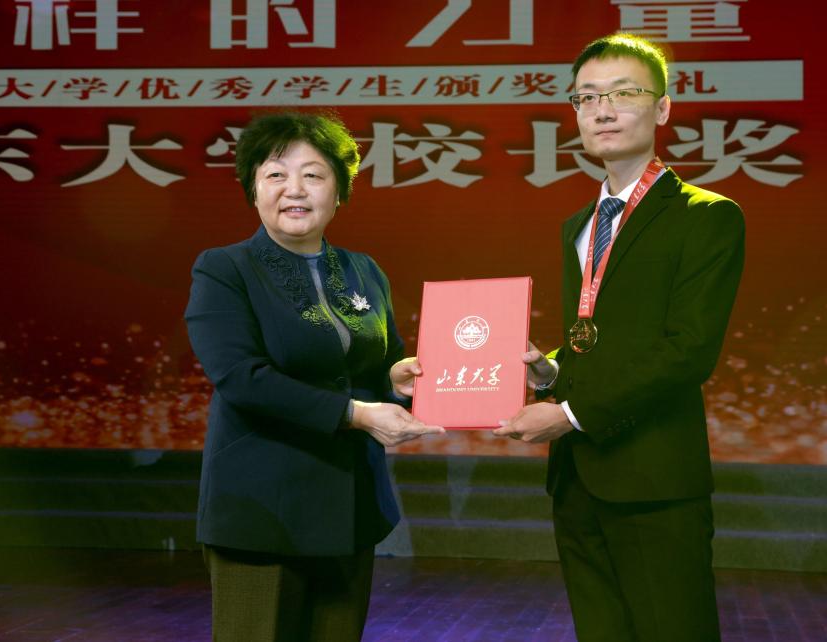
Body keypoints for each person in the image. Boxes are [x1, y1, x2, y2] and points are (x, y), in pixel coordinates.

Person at [495, 33, 745, 642]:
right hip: (577, 480)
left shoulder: (707, 215)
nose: (601, 110)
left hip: (655, 479)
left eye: (622, 93)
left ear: (662, 108)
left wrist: (568, 414)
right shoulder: (578, 225)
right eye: (586, 97)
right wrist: (551, 371)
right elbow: (597, 340)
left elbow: (688, 351)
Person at [184, 111, 444, 642]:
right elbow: (242, 378)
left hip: (350, 507)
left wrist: (399, 379)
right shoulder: (224, 269)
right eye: (276, 175)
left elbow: (382, 364)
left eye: (313, 175)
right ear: (253, 188)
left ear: (339, 191)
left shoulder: (364, 269)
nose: (294, 190)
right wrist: (356, 414)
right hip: (261, 512)